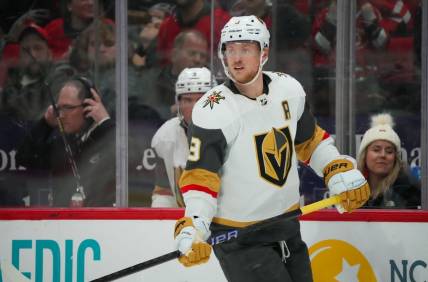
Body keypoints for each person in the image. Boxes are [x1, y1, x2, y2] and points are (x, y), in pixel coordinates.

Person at [172, 15, 370, 281]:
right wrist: (194, 225)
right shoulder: (212, 110)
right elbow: (200, 178)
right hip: (241, 240)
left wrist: (335, 169)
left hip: (287, 227)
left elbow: (309, 142)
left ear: (263, 52)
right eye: (230, 50)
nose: (236, 58)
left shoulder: (287, 90)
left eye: (245, 49)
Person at [15, 77, 116, 207]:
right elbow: (24, 157)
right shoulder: (63, 144)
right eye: (59, 108)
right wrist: (45, 124)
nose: (61, 115)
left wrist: (105, 122)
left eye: (68, 107)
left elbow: (132, 158)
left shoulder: (107, 138)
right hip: (62, 223)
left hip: (100, 223)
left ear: (88, 107)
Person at [151, 67, 217, 208]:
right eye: (188, 100)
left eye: (202, 99)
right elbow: (164, 192)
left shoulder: (235, 132)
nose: (195, 107)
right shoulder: (165, 137)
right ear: (178, 104)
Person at [139, 30, 209, 120]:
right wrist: (170, 111)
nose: (198, 60)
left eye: (202, 56)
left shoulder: (212, 84)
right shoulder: (152, 80)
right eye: (192, 54)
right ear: (174, 55)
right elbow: (141, 115)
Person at [357, 113, 420, 209]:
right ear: (364, 155)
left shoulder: (407, 191)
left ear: (395, 158)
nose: (383, 155)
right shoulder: (351, 188)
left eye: (389, 151)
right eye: (376, 150)